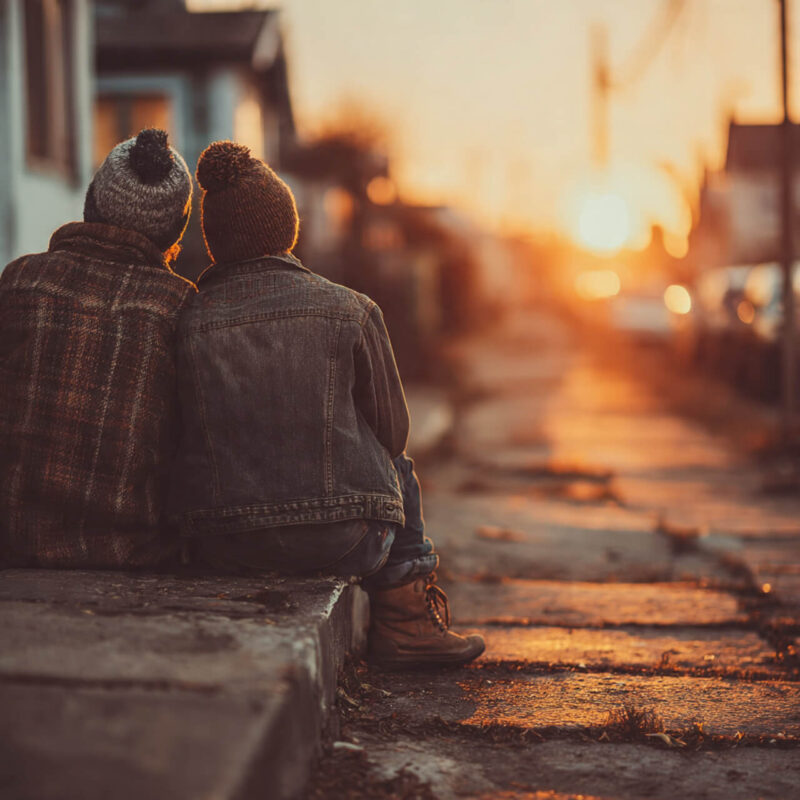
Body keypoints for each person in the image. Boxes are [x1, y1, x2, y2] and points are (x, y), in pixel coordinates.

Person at [169, 141, 485, 668]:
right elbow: (394, 433)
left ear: (216, 241)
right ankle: (406, 622)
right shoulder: (351, 309)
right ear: (288, 228)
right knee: (397, 467)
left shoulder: (187, 320)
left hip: (222, 545)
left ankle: (405, 623)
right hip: (347, 540)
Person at [0, 129, 196, 569]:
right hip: (129, 555)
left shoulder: (19, 280)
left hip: (9, 542)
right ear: (173, 234)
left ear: (91, 203)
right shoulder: (180, 306)